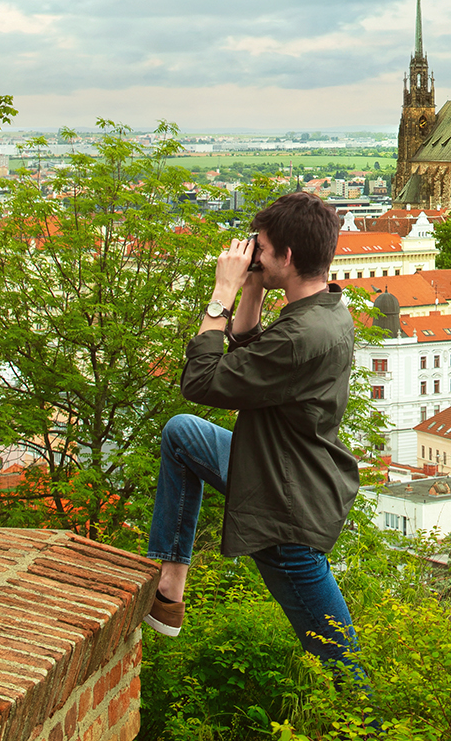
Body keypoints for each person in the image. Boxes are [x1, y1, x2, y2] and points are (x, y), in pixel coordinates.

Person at [142, 192, 365, 682]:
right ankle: (170, 590)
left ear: (286, 256)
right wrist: (255, 288)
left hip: (287, 513)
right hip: (276, 467)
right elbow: (248, 350)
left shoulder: (300, 336)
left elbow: (201, 382)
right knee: (182, 434)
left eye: (260, 249)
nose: (252, 255)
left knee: (341, 665)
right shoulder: (324, 312)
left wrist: (220, 295)